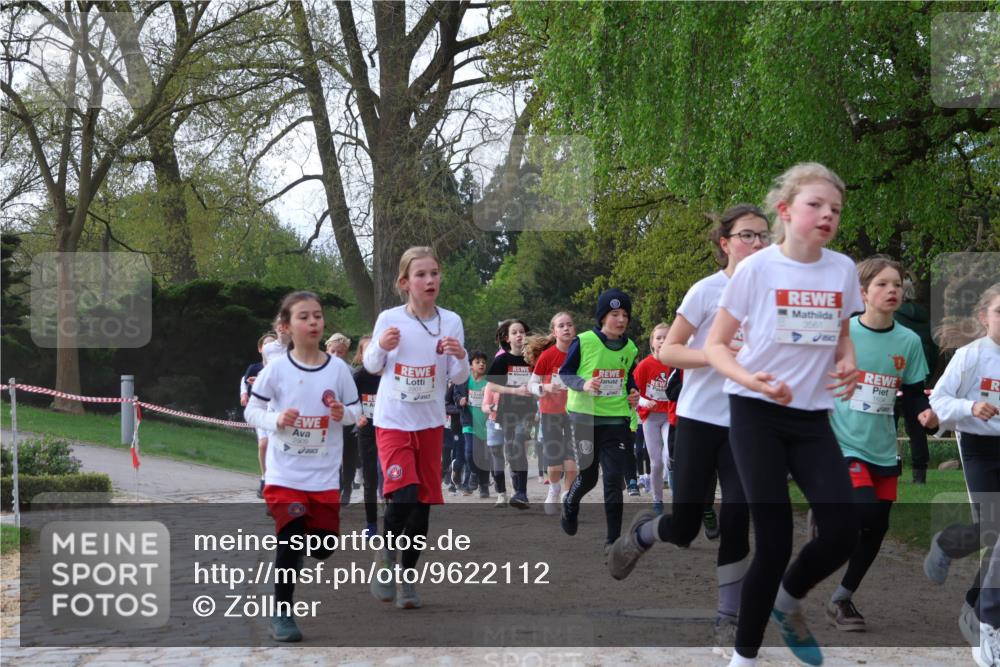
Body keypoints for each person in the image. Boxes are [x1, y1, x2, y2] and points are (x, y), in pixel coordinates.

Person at [706, 164, 862, 667]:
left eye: (835, 209)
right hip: (755, 413)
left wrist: (848, 360)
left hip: (812, 416)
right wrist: (748, 379)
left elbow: (841, 334)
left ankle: (788, 599)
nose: (827, 215)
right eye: (815, 205)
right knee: (773, 540)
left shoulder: (841, 269)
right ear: (786, 211)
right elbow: (715, 346)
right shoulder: (757, 269)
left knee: (843, 529)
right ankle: (744, 658)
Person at [606, 204, 766, 652]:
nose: (757, 244)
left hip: (746, 425)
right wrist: (715, 356)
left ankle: (728, 619)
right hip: (698, 419)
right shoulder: (706, 291)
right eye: (747, 236)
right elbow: (670, 352)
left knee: (738, 515)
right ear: (725, 243)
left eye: (763, 236)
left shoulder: (773, 296)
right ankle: (642, 534)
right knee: (686, 528)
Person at [824, 255, 935, 631]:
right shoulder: (843, 334)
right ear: (862, 292)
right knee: (866, 512)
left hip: (883, 448)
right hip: (843, 442)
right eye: (883, 284)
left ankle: (842, 598)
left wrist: (925, 415)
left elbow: (914, 394)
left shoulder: (909, 342)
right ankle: (828, 517)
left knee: (878, 526)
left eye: (898, 284)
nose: (893, 290)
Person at [244, 290, 361, 642]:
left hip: (324, 476)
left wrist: (345, 414)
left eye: (318, 316)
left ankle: (309, 533)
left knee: (323, 548)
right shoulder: (276, 369)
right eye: (304, 317)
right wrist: (276, 419)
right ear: (286, 326)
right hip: (284, 474)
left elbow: (357, 412)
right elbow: (252, 410)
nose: (313, 322)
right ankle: (282, 612)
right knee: (291, 540)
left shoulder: (338, 369)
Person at [363, 246, 469, 609]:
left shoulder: (451, 321)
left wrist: (459, 354)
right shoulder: (390, 318)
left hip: (430, 423)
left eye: (434, 273)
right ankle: (386, 560)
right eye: (421, 275)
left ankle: (407, 579)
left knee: (421, 508)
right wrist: (381, 345)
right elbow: (372, 366)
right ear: (405, 283)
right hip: (393, 420)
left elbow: (459, 377)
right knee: (404, 493)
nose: (430, 280)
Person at [922, 283, 1000, 665]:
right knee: (992, 528)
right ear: (983, 317)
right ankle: (949, 544)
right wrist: (972, 406)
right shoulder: (971, 356)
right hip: (980, 448)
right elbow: (939, 400)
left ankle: (983, 612)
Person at [559, 288, 641, 551]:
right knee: (590, 476)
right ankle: (570, 504)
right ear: (603, 316)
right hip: (584, 417)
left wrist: (633, 392)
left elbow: (628, 376)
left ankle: (612, 541)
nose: (621, 320)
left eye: (625, 315)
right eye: (615, 314)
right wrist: (584, 384)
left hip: (615, 418)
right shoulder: (584, 341)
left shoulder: (630, 347)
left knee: (613, 480)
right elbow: (566, 373)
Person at [525, 312, 578, 515]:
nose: (566, 328)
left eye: (570, 325)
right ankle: (554, 489)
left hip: (574, 412)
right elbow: (531, 384)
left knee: (572, 461)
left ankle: (566, 496)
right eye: (561, 326)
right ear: (554, 332)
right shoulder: (548, 356)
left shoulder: (580, 353)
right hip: (550, 412)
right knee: (555, 463)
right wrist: (545, 388)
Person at [893, 278, 939, 484]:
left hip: (893, 375)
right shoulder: (926, 317)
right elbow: (936, 347)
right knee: (917, 427)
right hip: (920, 375)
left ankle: (891, 466)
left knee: (887, 424)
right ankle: (920, 474)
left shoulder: (892, 316)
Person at [487, 319, 537, 509]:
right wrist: (514, 390)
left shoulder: (532, 359)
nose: (519, 335)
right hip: (507, 412)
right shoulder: (502, 360)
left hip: (527, 411)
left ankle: (521, 492)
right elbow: (491, 385)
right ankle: (519, 492)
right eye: (514, 332)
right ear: (507, 338)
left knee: (518, 442)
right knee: (513, 451)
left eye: (522, 332)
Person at [632, 322, 673, 515]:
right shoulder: (645, 365)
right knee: (655, 462)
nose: (662, 340)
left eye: (666, 337)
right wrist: (643, 401)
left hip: (669, 415)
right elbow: (632, 392)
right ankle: (657, 500)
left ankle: (673, 483)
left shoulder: (676, 364)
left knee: (668, 455)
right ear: (652, 343)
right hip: (650, 417)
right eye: (658, 337)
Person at [352, 335, 381, 536]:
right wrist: (358, 416)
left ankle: (394, 519)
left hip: (390, 431)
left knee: (391, 476)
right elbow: (351, 404)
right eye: (366, 350)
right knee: (370, 478)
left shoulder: (389, 375)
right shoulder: (359, 377)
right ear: (361, 355)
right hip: (367, 432)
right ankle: (371, 524)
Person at [241, 332, 276, 497]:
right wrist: (245, 393)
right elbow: (244, 380)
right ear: (261, 349)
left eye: (273, 344)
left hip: (278, 413)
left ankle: (275, 483)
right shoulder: (255, 367)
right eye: (266, 345)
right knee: (263, 444)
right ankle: (264, 477)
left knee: (276, 448)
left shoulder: (281, 368)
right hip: (261, 411)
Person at [454, 350, 491, 498]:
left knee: (484, 456)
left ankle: (484, 487)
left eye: (483, 362)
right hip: (469, 422)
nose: (481, 364)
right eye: (477, 362)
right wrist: (460, 400)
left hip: (486, 423)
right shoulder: (464, 381)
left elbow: (497, 398)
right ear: (470, 366)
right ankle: (474, 473)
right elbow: (455, 395)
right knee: (469, 453)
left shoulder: (489, 381)